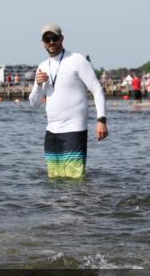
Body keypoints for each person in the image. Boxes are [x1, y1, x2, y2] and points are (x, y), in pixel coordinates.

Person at [29, 23, 107, 180]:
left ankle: (77, 205)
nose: (51, 42)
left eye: (54, 38)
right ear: (43, 42)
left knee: (74, 182)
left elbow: (97, 89)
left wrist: (101, 120)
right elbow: (34, 103)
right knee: (54, 181)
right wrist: (37, 85)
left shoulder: (77, 60)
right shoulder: (42, 67)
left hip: (74, 130)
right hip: (51, 133)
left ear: (62, 38)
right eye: (47, 39)